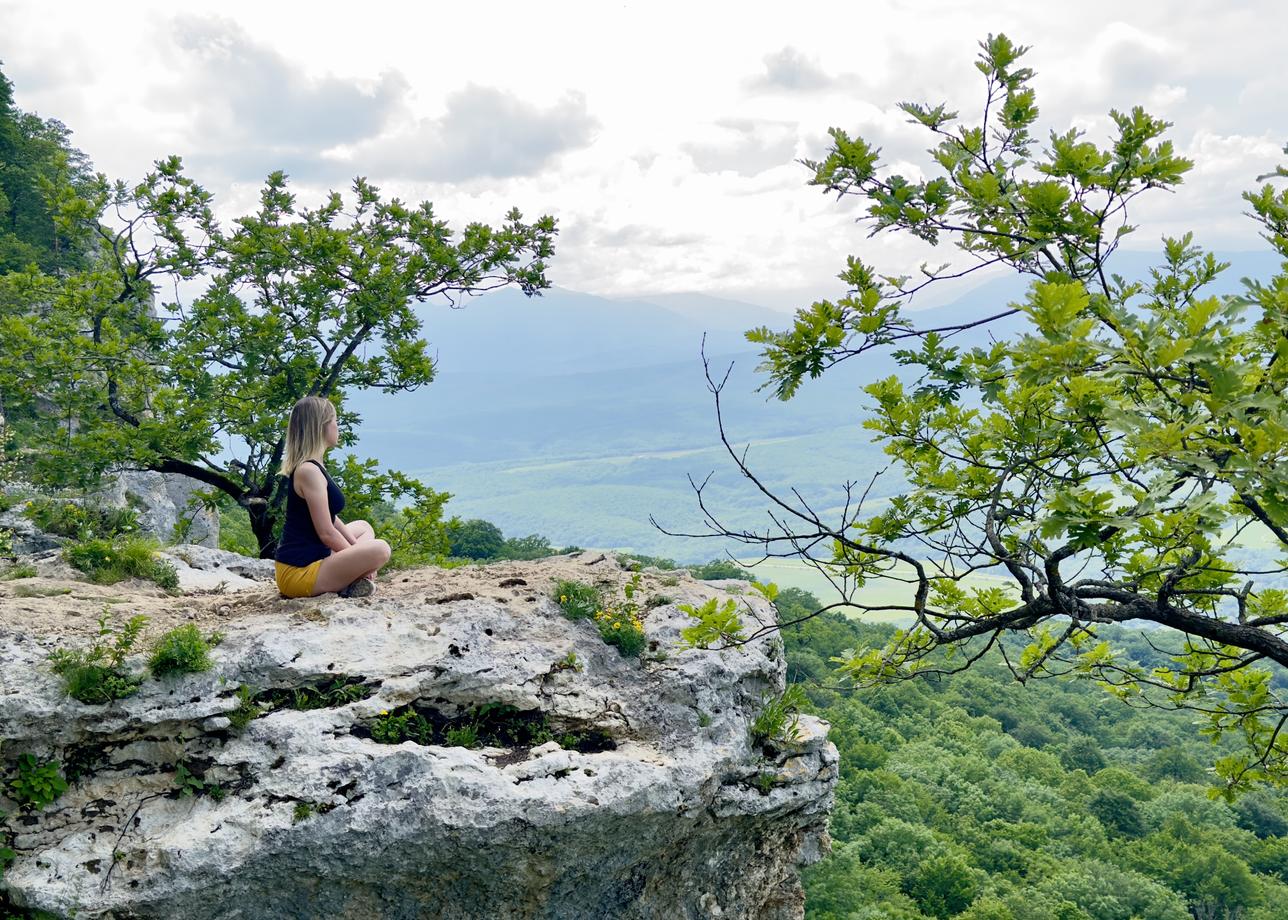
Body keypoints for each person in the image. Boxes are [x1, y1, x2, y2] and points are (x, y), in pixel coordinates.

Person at [274, 396, 391, 599]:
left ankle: (350, 581)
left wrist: (357, 553)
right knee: (381, 549)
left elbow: (331, 518)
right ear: (321, 426)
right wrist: (361, 560)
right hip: (299, 573)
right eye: (335, 421)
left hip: (316, 559)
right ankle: (352, 580)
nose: (338, 427)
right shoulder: (308, 471)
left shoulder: (314, 465)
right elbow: (326, 533)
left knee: (364, 527)